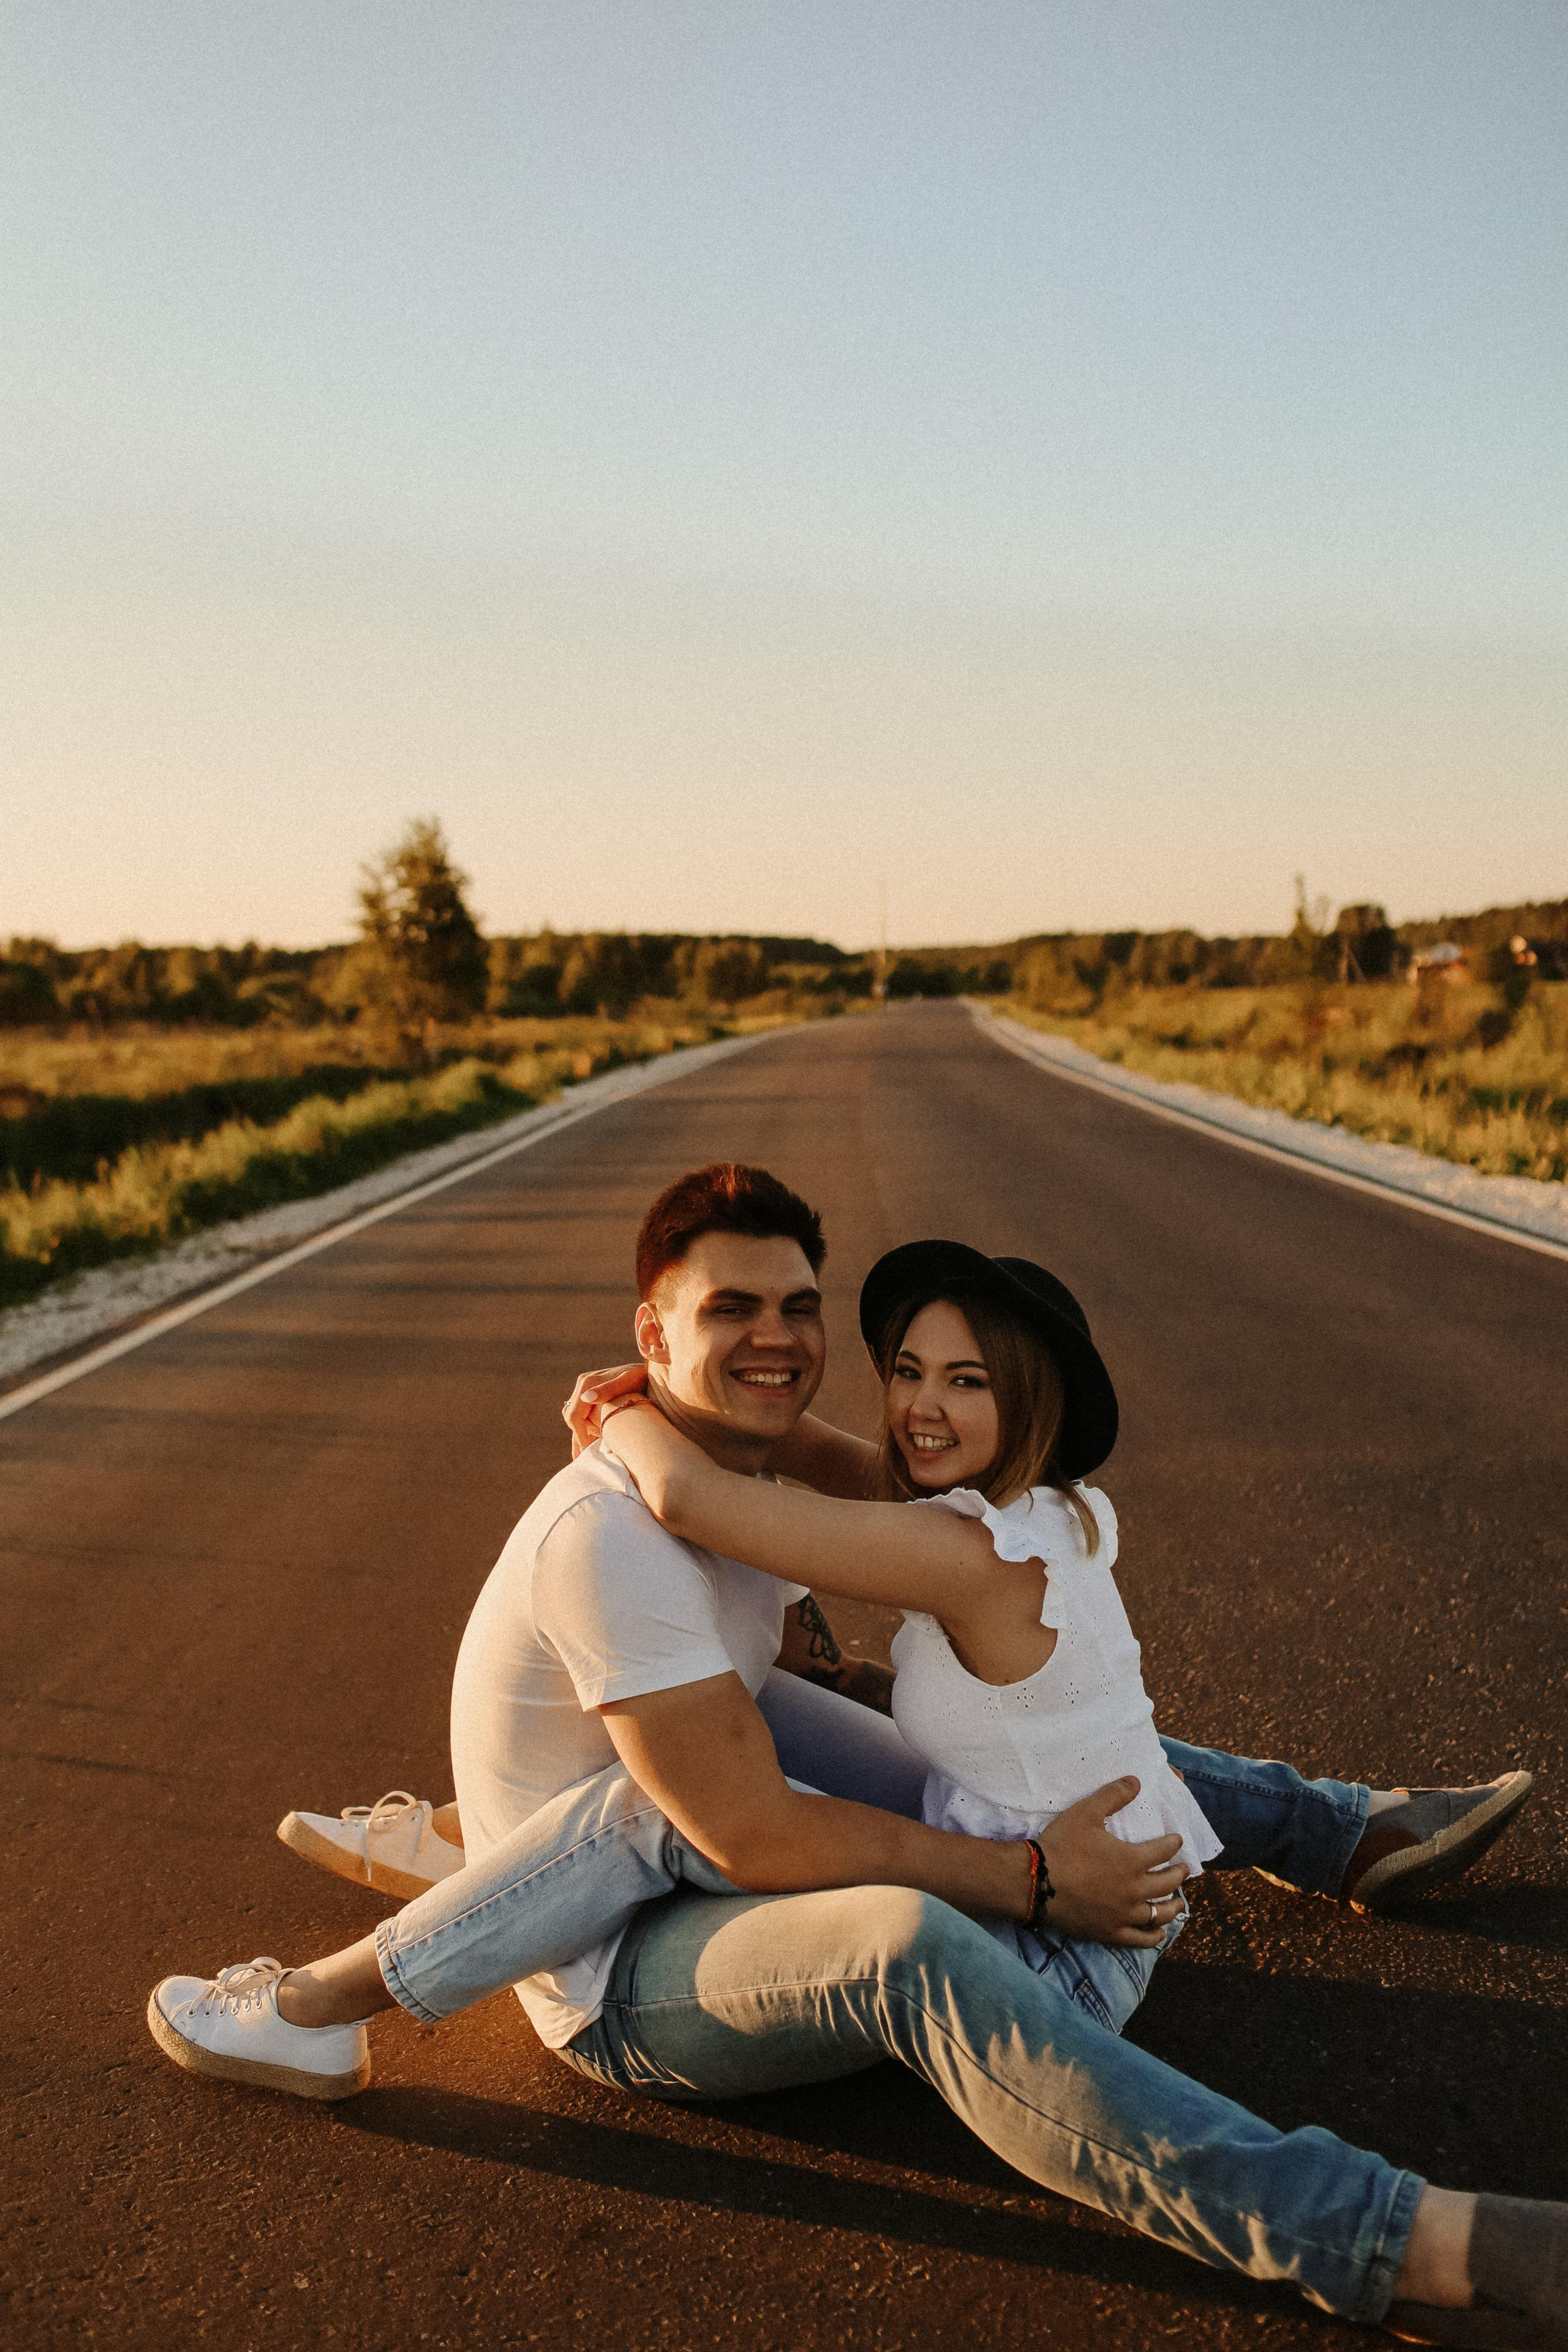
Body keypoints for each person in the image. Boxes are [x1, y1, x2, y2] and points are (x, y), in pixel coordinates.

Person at [145, 1164, 1559, 2343]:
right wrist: (1022, 1877)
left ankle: (1330, 1829)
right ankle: (1379, 2237)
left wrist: (645, 1408)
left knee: (942, 1712)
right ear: (652, 1325)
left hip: (700, 1796)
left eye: (797, 1311)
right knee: (837, 1899)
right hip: (616, 1980)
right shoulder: (614, 1539)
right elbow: (745, 1837)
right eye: (730, 1311)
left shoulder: (743, 1469)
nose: (774, 1337)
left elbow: (872, 1480)